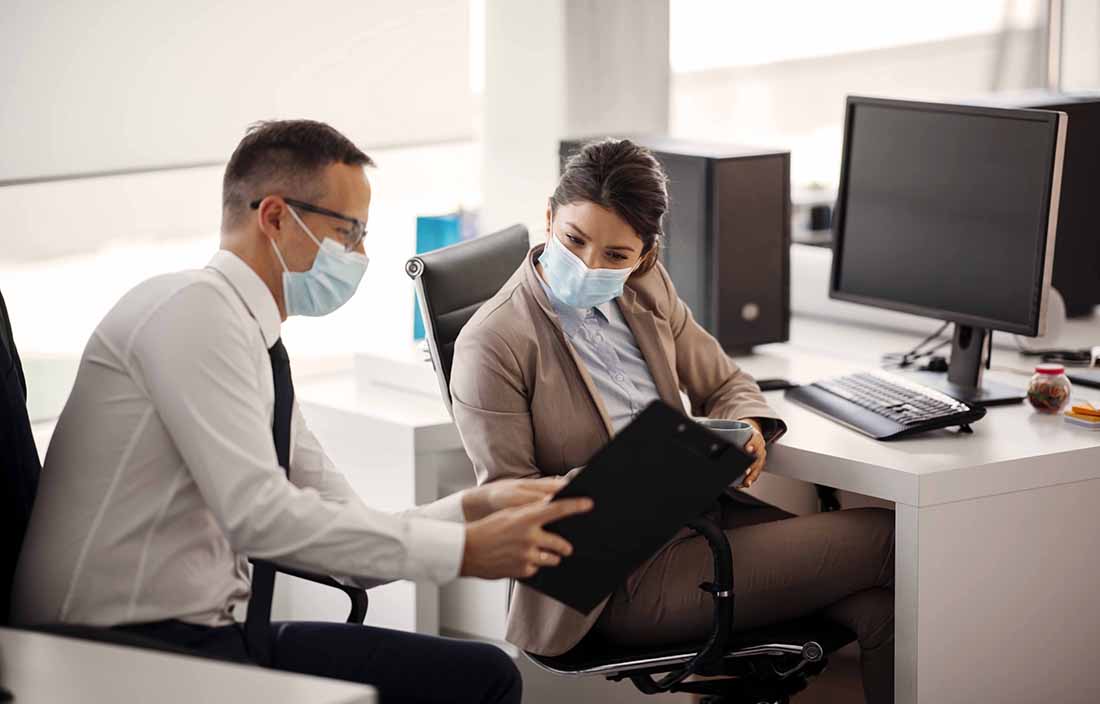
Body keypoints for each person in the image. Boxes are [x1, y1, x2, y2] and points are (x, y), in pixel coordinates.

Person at [12, 120, 593, 704]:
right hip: (108, 647)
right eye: (349, 232)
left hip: (213, 635)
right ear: (273, 217)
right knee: (479, 682)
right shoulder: (193, 314)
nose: (361, 255)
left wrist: (471, 508)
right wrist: (465, 552)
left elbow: (349, 544)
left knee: (483, 675)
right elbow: (259, 516)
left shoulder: (251, 344)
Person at [450, 139, 896, 704]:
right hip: (610, 578)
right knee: (888, 540)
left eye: (616, 255)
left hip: (703, 525)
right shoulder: (494, 342)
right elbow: (509, 504)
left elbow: (726, 383)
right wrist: (637, 477)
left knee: (881, 608)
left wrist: (748, 427)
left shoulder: (645, 289)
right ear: (549, 216)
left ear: (645, 254)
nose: (590, 265)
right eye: (574, 240)